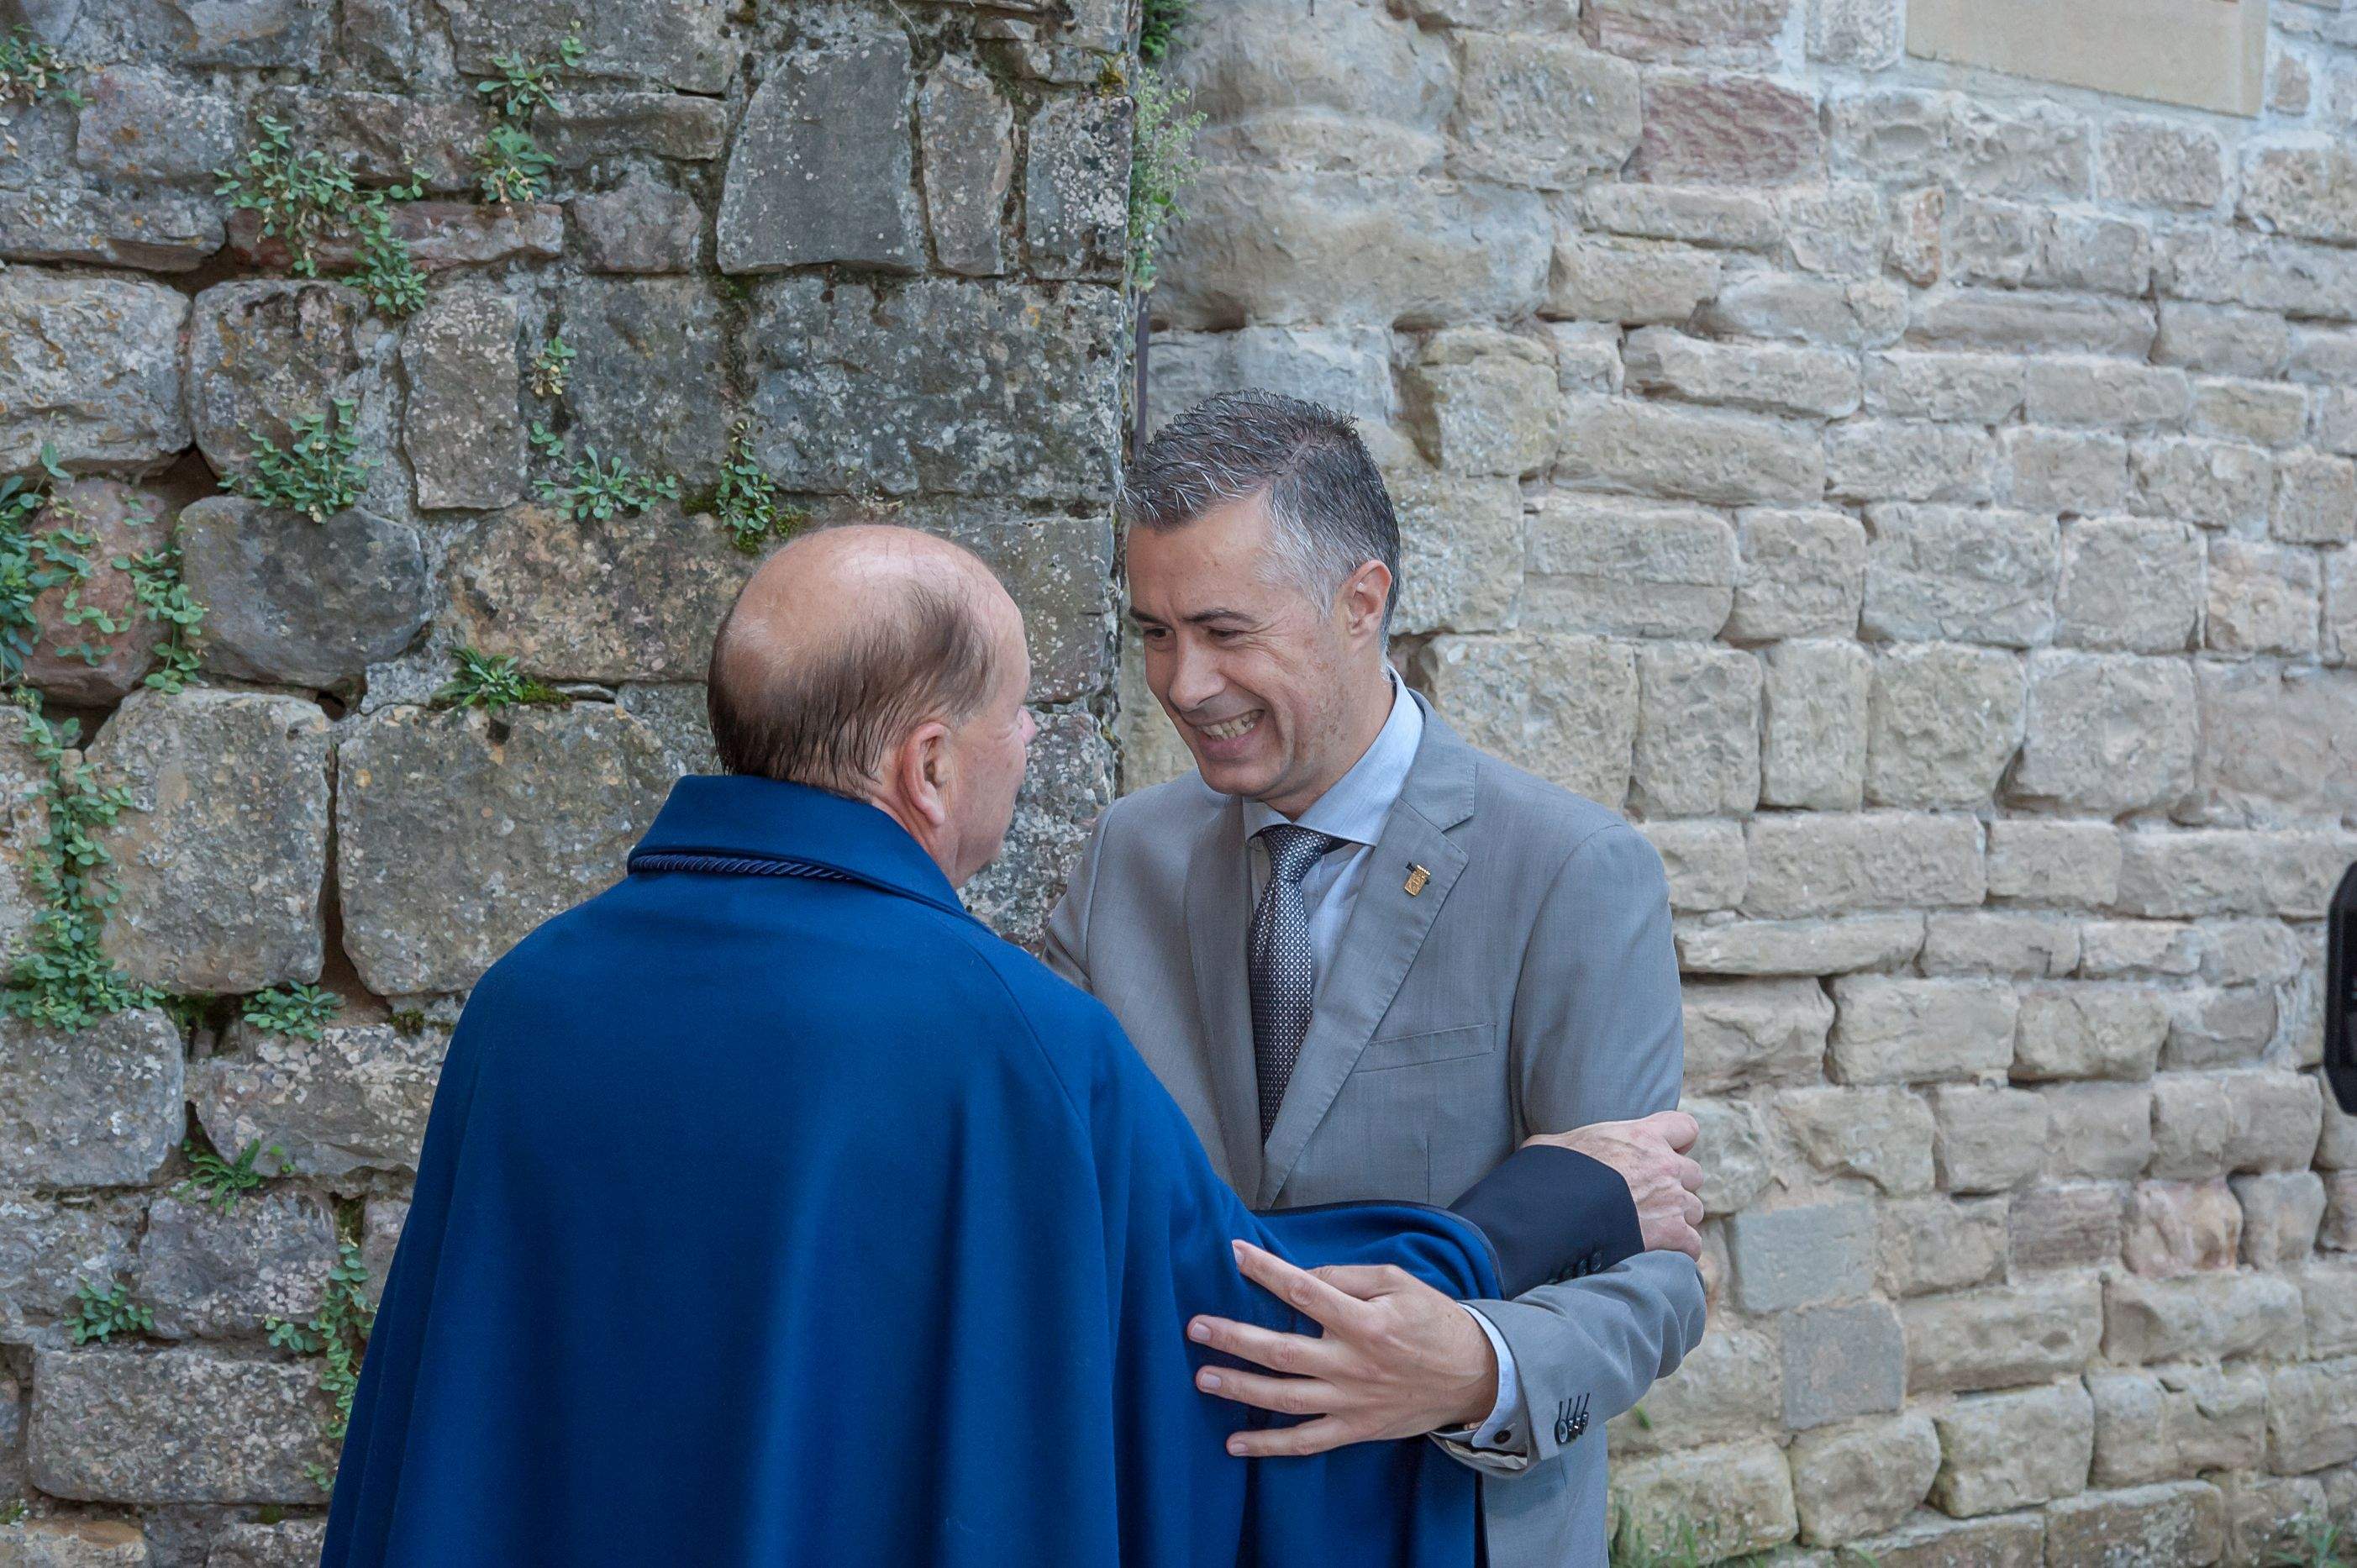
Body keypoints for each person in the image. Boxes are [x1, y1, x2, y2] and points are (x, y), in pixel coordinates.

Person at [321, 524, 1645, 1568]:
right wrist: (1550, 1205)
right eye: (1020, 713)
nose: (1036, 741)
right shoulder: (1002, 1035)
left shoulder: (527, 999)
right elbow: (1229, 1328)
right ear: (929, 766)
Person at [1044, 392, 1709, 1565]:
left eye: (1224, 630)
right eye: (1152, 631)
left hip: (1441, 1521)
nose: (1183, 682)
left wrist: (1475, 1363)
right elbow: (1047, 1186)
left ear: (1363, 602)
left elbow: (1650, 1276)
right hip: (1170, 1513)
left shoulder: (1569, 871)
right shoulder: (1121, 860)